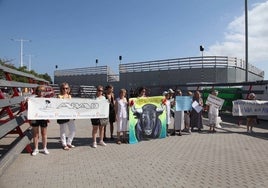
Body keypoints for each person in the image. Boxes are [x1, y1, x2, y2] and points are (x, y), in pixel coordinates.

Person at [30, 85, 50, 155]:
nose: (41, 92)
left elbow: (48, 110)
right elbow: (29, 107)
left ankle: (45, 148)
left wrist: (48, 117)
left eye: (43, 91)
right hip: (35, 118)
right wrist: (27, 101)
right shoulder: (33, 99)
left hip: (43, 118)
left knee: (44, 134)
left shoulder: (46, 100)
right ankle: (36, 148)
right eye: (39, 91)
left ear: (45, 92)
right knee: (35, 134)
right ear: (37, 92)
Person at [57, 82, 76, 150]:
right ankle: (64, 144)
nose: (65, 90)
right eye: (63, 88)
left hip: (70, 115)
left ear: (68, 89)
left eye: (66, 88)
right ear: (61, 89)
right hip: (62, 116)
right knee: (63, 130)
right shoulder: (59, 96)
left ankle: (69, 142)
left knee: (73, 130)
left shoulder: (70, 96)